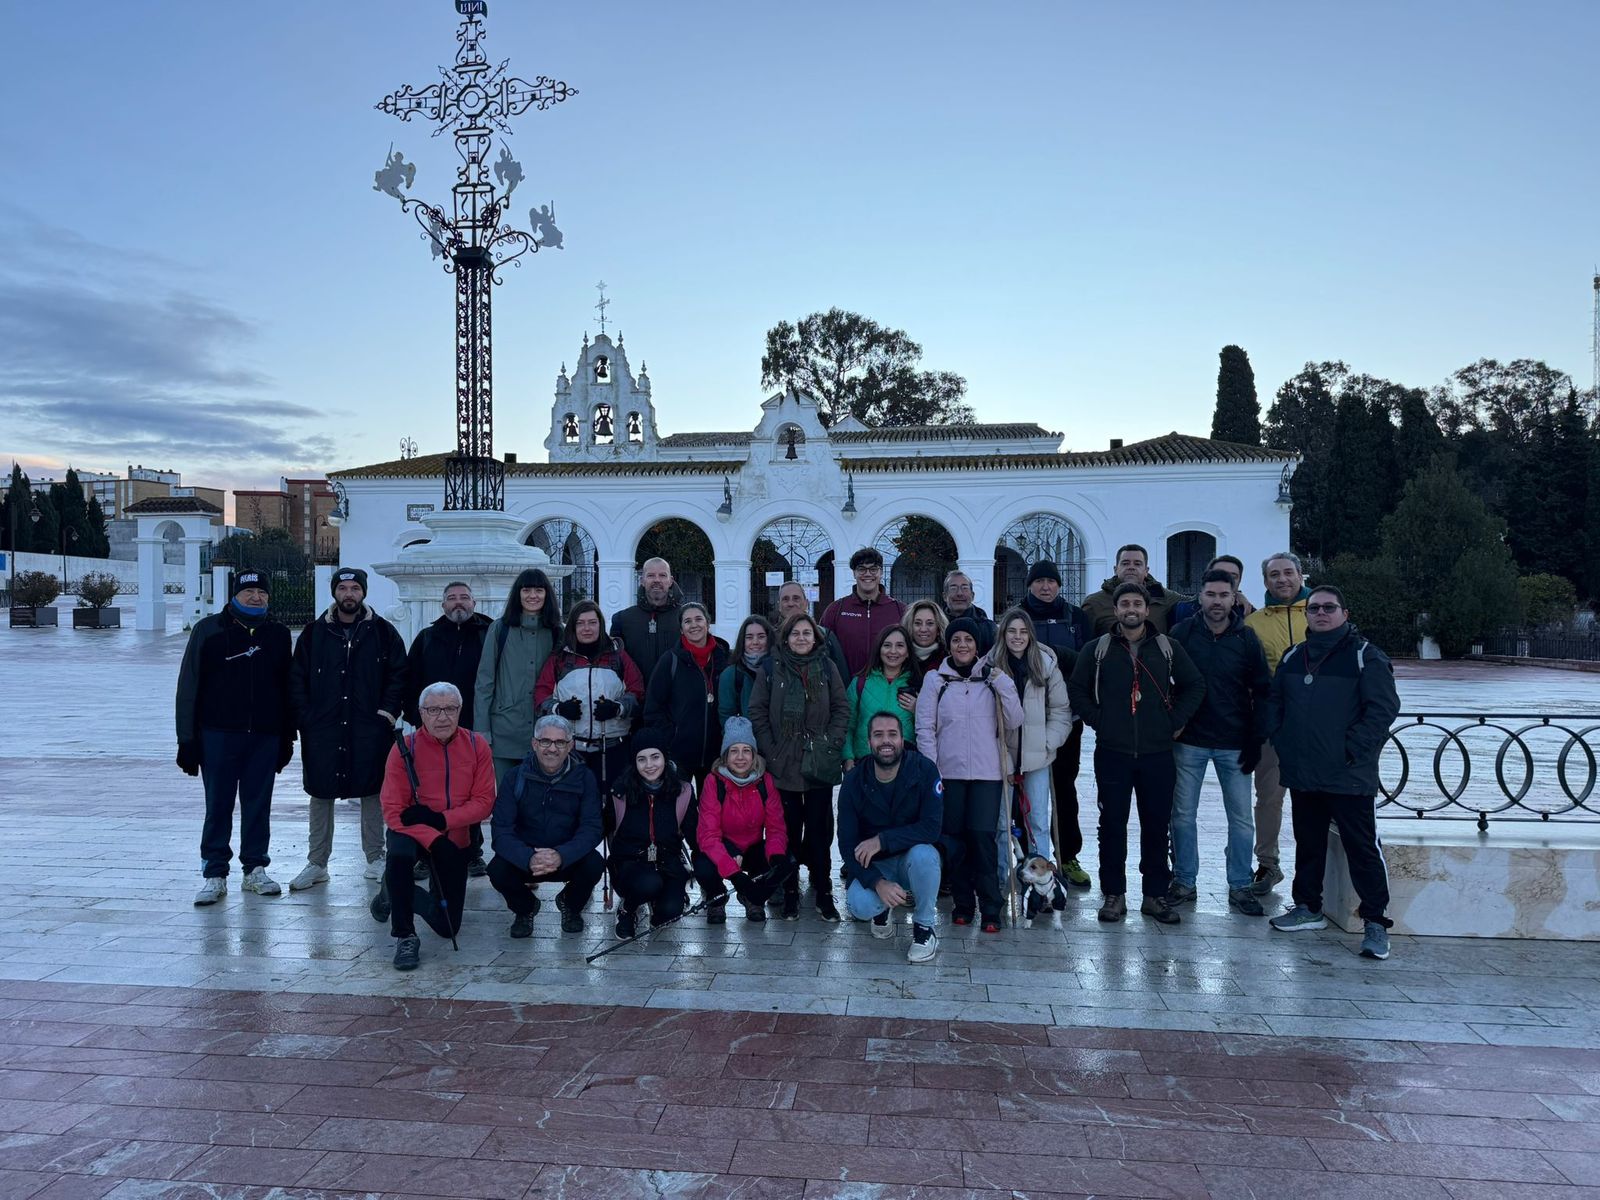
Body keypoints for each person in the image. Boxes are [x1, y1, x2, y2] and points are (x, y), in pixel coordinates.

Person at [1265, 586, 1401, 960]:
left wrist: (1351, 751)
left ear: (1344, 612)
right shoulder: (1295, 657)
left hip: (1348, 775)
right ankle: (1308, 907)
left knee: (1362, 847)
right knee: (1308, 843)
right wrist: (1283, 741)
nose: (1321, 613)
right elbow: (1275, 702)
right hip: (1303, 771)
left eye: (1329, 608)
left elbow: (1382, 709)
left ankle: (1375, 921)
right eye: (1314, 608)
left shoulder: (1364, 656)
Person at [1067, 582, 1204, 926]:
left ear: (1147, 609)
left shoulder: (1166, 647)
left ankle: (1154, 894)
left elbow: (1194, 685)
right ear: (1116, 610)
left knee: (1156, 825)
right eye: (1125, 603)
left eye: (1137, 604)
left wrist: (1174, 721)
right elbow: (1077, 689)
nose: (1131, 609)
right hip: (1112, 752)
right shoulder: (1096, 650)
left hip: (1158, 752)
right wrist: (1100, 720)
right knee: (1111, 824)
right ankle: (1114, 894)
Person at [177, 569, 295, 904]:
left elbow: (286, 687)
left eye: (261, 592)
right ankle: (215, 872)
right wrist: (186, 739)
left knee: (258, 804)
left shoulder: (278, 633)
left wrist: (287, 734)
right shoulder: (208, 631)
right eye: (249, 592)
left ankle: (255, 868)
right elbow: (188, 686)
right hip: (218, 734)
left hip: (264, 735)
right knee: (218, 805)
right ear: (235, 595)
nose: (256, 598)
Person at [288, 567, 407, 891]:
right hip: (323, 727)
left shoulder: (382, 632)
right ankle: (316, 862)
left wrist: (386, 713)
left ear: (363, 592)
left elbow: (398, 675)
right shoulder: (314, 633)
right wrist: (305, 717)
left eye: (355, 588)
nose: (349, 594)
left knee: (372, 791)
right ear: (335, 592)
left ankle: (374, 857)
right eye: (344, 588)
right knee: (320, 792)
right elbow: (296, 677)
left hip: (369, 726)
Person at [1169, 569, 1272, 917]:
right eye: (1210, 594)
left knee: (1241, 818)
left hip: (1234, 741)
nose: (1217, 601)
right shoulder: (1182, 634)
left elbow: (1262, 688)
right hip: (1190, 740)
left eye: (1223, 595)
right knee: (1182, 815)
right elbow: (1167, 684)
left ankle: (1240, 884)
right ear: (1200, 597)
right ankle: (1184, 880)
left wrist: (1256, 737)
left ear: (1234, 597)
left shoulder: (1246, 638)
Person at [371, 683, 495, 970]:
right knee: (399, 857)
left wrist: (442, 821)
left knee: (447, 927)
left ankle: (393, 888)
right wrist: (432, 837)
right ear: (422, 713)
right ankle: (405, 936)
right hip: (412, 834)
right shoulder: (404, 748)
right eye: (434, 710)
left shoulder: (478, 746)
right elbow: (393, 811)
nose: (443, 717)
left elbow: (484, 801)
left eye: (450, 708)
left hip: (456, 836)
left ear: (460, 711)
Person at [915, 617, 1023, 932]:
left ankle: (991, 906)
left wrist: (1000, 681)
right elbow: (925, 728)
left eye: (969, 640)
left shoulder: (993, 679)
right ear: (948, 645)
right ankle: (963, 904)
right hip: (948, 773)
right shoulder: (936, 681)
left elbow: (1015, 719)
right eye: (957, 639)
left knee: (982, 838)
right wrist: (931, 768)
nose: (963, 645)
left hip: (988, 773)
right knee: (955, 840)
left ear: (978, 646)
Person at [749, 612, 850, 921]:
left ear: (815, 637)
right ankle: (790, 889)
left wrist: (831, 742)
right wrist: (771, 749)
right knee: (788, 831)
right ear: (786, 638)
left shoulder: (827, 667)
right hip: (784, 761)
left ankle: (823, 889)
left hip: (819, 759)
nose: (802, 638)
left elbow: (841, 708)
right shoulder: (771, 668)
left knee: (821, 831)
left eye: (807, 633)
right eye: (795, 634)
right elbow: (757, 711)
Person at [404, 580, 494, 874]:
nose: (459, 603)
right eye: (452, 598)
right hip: (431, 730)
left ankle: (472, 852)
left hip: (472, 729)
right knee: (428, 791)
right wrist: (419, 720)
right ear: (442, 605)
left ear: (474, 603)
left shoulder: (489, 634)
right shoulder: (427, 637)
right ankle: (427, 852)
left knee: (471, 792)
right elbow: (411, 678)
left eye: (464, 597)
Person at [486, 714, 606, 936]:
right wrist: (527, 856)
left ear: (570, 745)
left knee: (594, 864)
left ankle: (570, 905)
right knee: (497, 870)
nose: (552, 749)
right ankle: (525, 908)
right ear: (534, 744)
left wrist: (562, 854)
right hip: (527, 857)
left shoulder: (584, 777)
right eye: (545, 741)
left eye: (560, 742)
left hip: (567, 856)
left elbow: (592, 828)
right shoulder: (515, 777)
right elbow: (501, 830)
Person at [838, 713, 943, 963]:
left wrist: (882, 840)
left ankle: (924, 929)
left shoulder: (924, 769)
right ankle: (881, 909)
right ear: (868, 741)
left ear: (902, 738)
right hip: (876, 865)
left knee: (926, 856)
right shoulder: (854, 780)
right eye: (878, 735)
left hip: (911, 859)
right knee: (860, 906)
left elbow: (931, 828)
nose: (886, 741)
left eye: (892, 734)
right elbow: (846, 844)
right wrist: (876, 882)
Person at [608, 729, 729, 937]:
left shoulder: (681, 791)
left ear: (665, 757)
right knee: (649, 883)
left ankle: (659, 905)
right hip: (630, 864)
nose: (649, 765)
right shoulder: (621, 792)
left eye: (655, 757)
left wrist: (717, 870)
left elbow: (697, 837)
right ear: (634, 762)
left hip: (667, 863)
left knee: (670, 911)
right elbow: (601, 827)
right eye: (642, 759)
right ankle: (627, 909)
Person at [1018, 561, 1094, 888]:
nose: (1045, 587)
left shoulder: (1076, 617)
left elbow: (1088, 660)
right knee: (1027, 792)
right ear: (1030, 585)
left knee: (1063, 787)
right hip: (1028, 721)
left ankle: (1067, 854)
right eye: (1039, 582)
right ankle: (1026, 855)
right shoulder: (1019, 615)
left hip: (1067, 717)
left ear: (1059, 585)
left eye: (1051, 581)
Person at [1243, 551, 1312, 894]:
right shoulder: (1254, 623)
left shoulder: (1319, 612)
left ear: (1300, 575)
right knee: (1269, 796)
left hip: (1317, 724)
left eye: (1288, 573)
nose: (1282, 579)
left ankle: (1319, 865)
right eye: (1274, 575)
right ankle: (1268, 864)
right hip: (1273, 722)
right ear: (1266, 580)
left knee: (1319, 796)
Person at [535, 601, 644, 806]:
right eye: (581, 623)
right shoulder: (560, 659)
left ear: (600, 625)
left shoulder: (618, 656)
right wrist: (559, 709)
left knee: (615, 807)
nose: (587, 628)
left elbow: (637, 691)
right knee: (576, 807)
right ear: (572, 627)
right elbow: (541, 694)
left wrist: (618, 708)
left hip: (613, 748)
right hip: (573, 749)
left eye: (592, 623)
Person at [989, 609, 1071, 875]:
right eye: (1012, 631)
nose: (1017, 637)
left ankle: (1040, 879)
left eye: (1023, 632)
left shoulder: (1046, 666)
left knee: (1038, 820)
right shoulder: (990, 666)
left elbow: (1060, 710)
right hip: (1002, 756)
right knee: (1002, 822)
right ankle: (1004, 878)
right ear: (1003, 634)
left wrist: (1048, 742)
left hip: (1037, 756)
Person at [698, 717, 793, 922]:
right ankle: (717, 898)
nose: (740, 757)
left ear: (753, 754)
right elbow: (708, 834)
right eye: (734, 751)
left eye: (746, 750)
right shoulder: (714, 782)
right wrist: (735, 875)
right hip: (723, 847)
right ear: (725, 755)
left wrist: (776, 854)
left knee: (782, 859)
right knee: (703, 865)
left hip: (753, 847)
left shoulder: (764, 781)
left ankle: (753, 898)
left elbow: (776, 827)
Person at [475, 567, 561, 787]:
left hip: (545, 731)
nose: (533, 596)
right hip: (504, 729)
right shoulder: (500, 629)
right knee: (506, 797)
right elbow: (485, 682)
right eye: (527, 590)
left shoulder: (556, 631)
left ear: (547, 594)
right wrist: (482, 729)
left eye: (539, 590)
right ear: (518, 594)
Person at [642, 602, 730, 787]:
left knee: (712, 811)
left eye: (699, 619)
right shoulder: (670, 661)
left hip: (717, 755)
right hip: (679, 755)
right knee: (679, 810)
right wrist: (671, 738)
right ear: (681, 629)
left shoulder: (724, 658)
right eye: (687, 621)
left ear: (708, 623)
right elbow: (653, 707)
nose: (694, 625)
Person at [843, 624, 925, 770]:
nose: (893, 651)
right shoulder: (860, 683)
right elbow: (847, 724)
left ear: (907, 652)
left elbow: (930, 728)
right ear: (879, 649)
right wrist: (847, 757)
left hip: (905, 763)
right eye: (887, 645)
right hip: (864, 761)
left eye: (900, 645)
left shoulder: (920, 685)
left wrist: (919, 710)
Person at [821, 547, 907, 679]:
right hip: (845, 690)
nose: (868, 574)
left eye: (873, 569)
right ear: (854, 573)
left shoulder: (900, 610)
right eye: (861, 569)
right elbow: (823, 651)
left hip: (887, 691)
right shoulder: (835, 610)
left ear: (881, 572)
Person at [1082, 544, 1185, 636]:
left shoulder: (1163, 597)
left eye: (1137, 564)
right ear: (1115, 569)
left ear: (1146, 571)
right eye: (1125, 563)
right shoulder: (1094, 603)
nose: (1131, 567)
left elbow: (1196, 601)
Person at [609, 557, 683, 679]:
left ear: (670, 581)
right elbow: (615, 662)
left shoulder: (686, 618)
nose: (657, 580)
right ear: (642, 580)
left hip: (678, 695)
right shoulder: (622, 619)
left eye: (663, 575)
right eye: (651, 575)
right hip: (638, 695)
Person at [774, 582, 850, 684]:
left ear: (806, 603)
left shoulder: (825, 636)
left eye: (796, 598)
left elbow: (842, 678)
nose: (791, 603)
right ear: (779, 606)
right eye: (785, 599)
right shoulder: (771, 637)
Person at [718, 615, 774, 723]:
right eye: (749, 637)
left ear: (769, 639)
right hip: (744, 738)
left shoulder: (778, 670)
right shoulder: (730, 675)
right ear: (742, 641)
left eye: (761, 636)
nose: (755, 642)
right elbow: (726, 715)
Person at [1171, 556, 1256, 625]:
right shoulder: (1180, 611)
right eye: (1219, 574)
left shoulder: (1250, 615)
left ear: (1240, 581)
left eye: (1233, 577)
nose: (1226, 580)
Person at [940, 571, 995, 655]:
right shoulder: (937, 626)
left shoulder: (989, 629)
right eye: (953, 588)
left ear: (972, 595)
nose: (959, 593)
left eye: (964, 588)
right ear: (944, 596)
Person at [902, 599, 948, 674]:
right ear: (910, 626)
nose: (923, 629)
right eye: (918, 623)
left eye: (930, 623)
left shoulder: (948, 660)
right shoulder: (899, 657)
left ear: (939, 628)